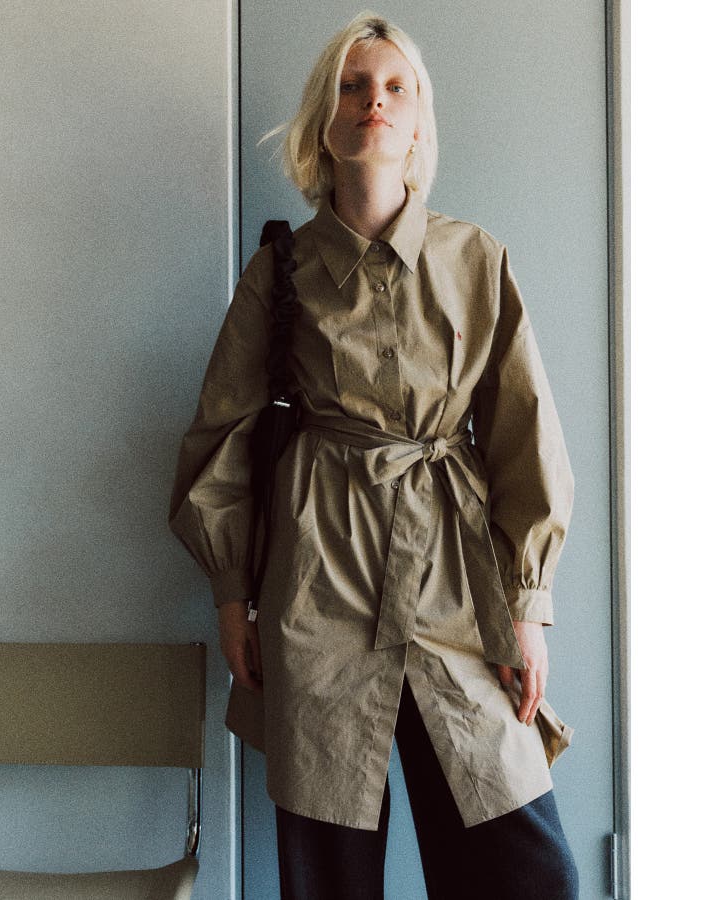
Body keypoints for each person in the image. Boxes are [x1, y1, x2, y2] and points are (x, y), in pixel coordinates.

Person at [169, 11, 579, 899]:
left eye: (396, 87)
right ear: (324, 119)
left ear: (420, 118)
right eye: (352, 87)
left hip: (456, 583)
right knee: (329, 874)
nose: (374, 102)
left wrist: (528, 607)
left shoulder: (476, 259)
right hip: (319, 578)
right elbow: (222, 437)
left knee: (530, 872)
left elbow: (524, 435)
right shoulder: (279, 272)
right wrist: (233, 594)